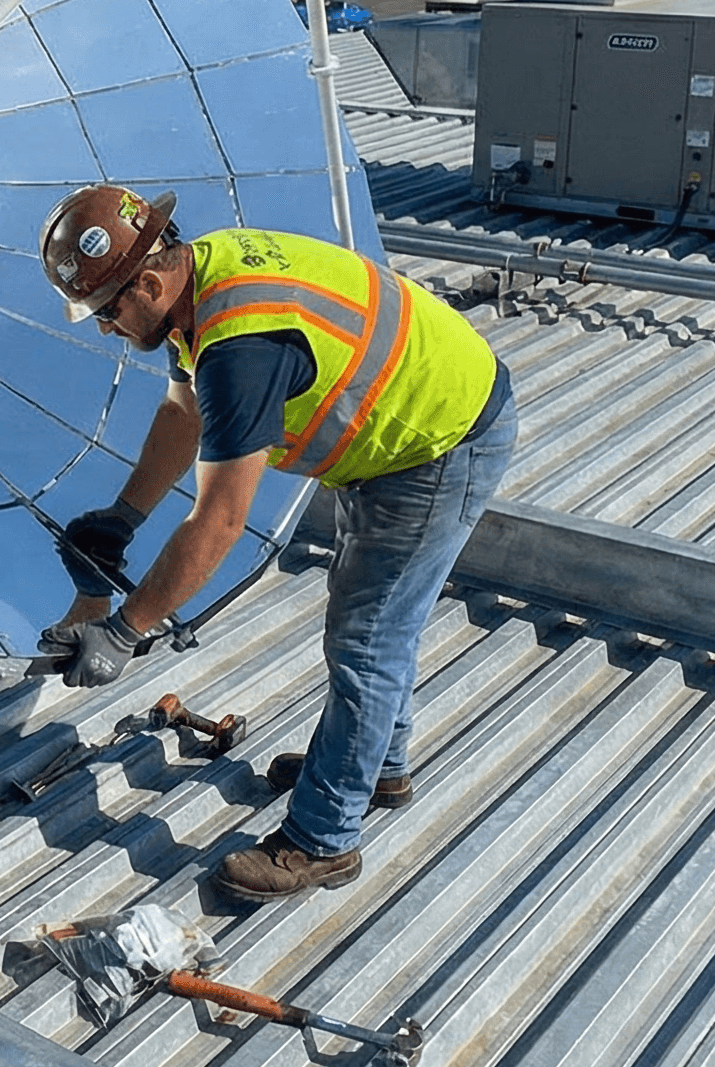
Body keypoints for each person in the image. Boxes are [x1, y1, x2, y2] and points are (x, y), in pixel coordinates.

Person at [35, 184, 517, 901]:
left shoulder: (242, 344)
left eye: (108, 310)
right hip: (400, 430)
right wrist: (124, 515)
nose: (105, 328)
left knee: (367, 636)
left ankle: (324, 838)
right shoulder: (201, 278)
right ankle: (370, 765)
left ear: (150, 279)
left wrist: (126, 630)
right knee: (373, 623)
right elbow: (184, 409)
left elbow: (220, 520)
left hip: (438, 442)